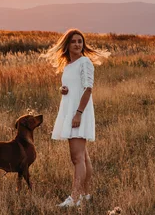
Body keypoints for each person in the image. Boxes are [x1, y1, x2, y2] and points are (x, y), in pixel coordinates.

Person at [40, 28, 110, 208]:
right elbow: (71, 86)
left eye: (80, 41)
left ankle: (74, 197)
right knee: (83, 156)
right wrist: (62, 89)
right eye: (74, 41)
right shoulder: (70, 65)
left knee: (76, 157)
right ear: (67, 45)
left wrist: (78, 114)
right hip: (71, 110)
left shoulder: (85, 62)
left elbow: (88, 89)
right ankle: (85, 195)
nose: (78, 44)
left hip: (79, 112)